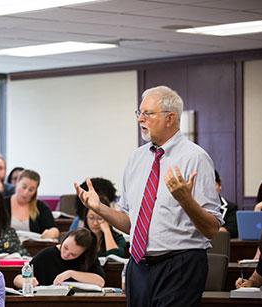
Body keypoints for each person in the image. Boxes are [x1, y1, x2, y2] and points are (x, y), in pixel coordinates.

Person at [75, 85, 222, 307]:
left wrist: (185, 200)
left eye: (148, 113)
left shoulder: (195, 158)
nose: (140, 119)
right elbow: (131, 225)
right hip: (139, 266)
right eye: (139, 113)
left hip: (179, 265)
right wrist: (100, 209)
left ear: (170, 118)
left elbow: (211, 229)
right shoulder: (137, 159)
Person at [13, 228, 105, 288]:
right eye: (65, 247)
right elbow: (17, 279)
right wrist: (27, 282)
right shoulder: (47, 254)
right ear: (64, 239)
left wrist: (71, 273)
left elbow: (100, 282)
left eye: (73, 254)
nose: (66, 254)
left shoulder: (87, 258)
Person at [3, 169, 59, 239]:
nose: (26, 192)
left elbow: (54, 229)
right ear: (17, 183)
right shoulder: (2, 204)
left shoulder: (41, 207)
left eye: (31, 190)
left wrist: (52, 232)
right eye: (24, 187)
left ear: (35, 191)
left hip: (33, 247)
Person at [215, 170, 238, 238]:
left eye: (211, 184)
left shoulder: (231, 208)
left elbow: (232, 231)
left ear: (219, 185)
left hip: (219, 246)